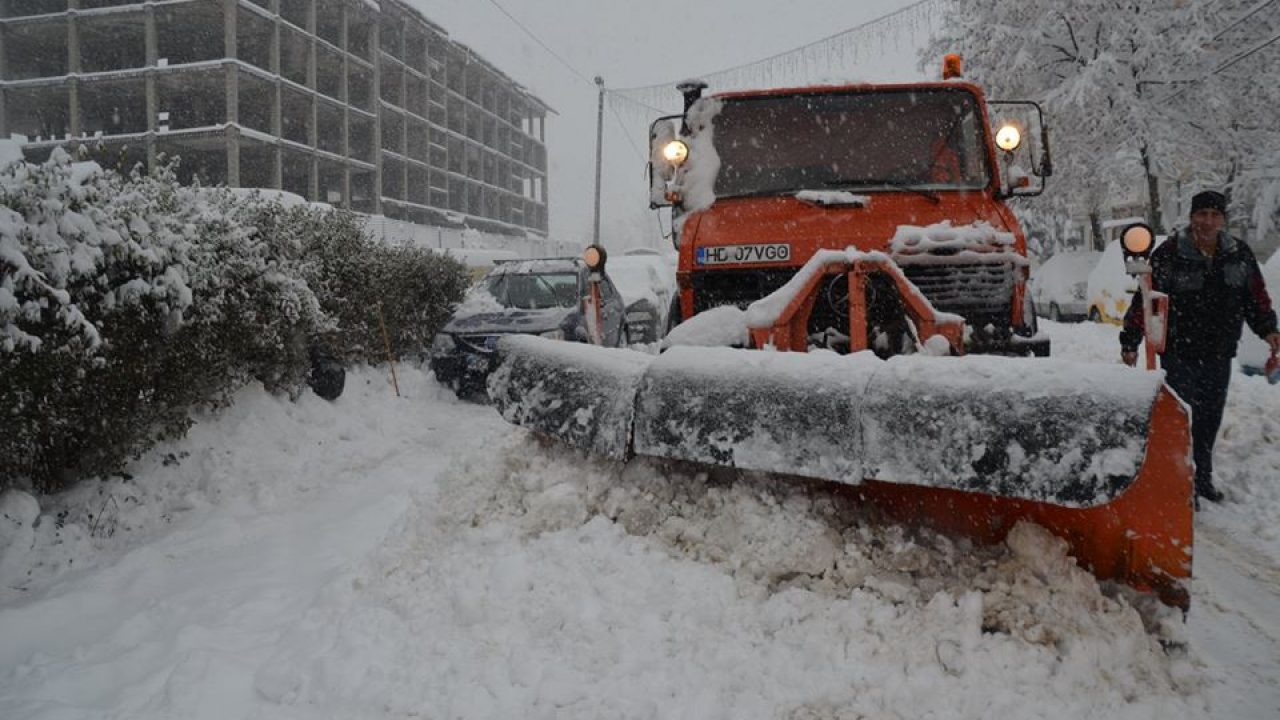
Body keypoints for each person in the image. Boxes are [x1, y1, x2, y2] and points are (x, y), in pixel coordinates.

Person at [1120, 190, 1280, 504]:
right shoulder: (1169, 254)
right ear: (1192, 217)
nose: (1208, 221)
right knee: (1183, 419)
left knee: (1209, 421)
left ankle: (1201, 478)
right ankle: (1181, 481)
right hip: (1179, 352)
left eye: (1214, 215)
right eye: (1202, 214)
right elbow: (1145, 300)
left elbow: (1256, 299)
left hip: (1219, 354)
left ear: (1222, 219)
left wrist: (1269, 330)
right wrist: (1130, 340)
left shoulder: (1239, 255)